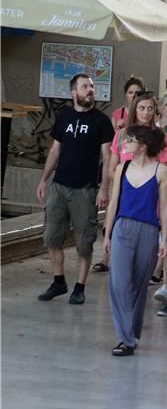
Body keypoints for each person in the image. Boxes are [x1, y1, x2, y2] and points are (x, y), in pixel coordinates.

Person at [37, 74, 115, 304]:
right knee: (51, 236)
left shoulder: (101, 121)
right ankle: (58, 281)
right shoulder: (64, 115)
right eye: (85, 87)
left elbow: (107, 156)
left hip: (85, 189)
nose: (90, 90)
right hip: (59, 186)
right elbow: (55, 150)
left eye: (91, 86)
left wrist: (104, 188)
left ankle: (79, 287)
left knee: (84, 241)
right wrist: (44, 179)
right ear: (74, 93)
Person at [103, 125, 167, 356]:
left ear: (142, 145)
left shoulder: (161, 171)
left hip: (149, 231)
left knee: (139, 286)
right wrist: (107, 234)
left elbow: (163, 206)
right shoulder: (122, 167)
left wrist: (164, 238)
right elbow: (113, 203)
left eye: (130, 140)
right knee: (118, 283)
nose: (124, 144)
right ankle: (125, 337)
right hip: (123, 227)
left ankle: (130, 335)